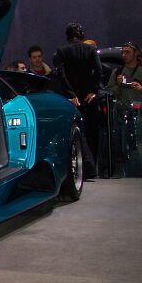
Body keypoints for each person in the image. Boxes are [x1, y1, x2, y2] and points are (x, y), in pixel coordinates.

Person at [52, 22, 102, 178]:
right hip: (88, 98)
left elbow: (61, 74)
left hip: (71, 99)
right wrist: (93, 90)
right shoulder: (90, 50)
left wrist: (70, 94)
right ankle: (92, 168)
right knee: (92, 133)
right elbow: (99, 70)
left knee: (74, 133)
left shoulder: (62, 51)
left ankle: (81, 169)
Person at [105, 42, 142, 176]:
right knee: (121, 145)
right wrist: (118, 85)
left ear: (136, 53)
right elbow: (109, 92)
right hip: (122, 114)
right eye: (122, 52)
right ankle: (124, 172)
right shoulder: (117, 73)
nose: (124, 55)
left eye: (127, 52)